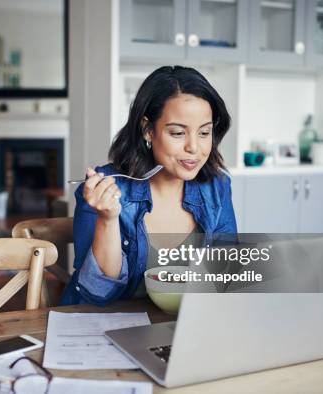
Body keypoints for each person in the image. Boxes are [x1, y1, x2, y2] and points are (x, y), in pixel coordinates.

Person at [61, 66, 237, 306]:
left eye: (204, 132)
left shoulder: (217, 187)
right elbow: (97, 294)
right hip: (106, 327)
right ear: (148, 130)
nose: (194, 147)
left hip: (180, 328)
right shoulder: (105, 189)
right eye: (178, 133)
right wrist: (108, 219)